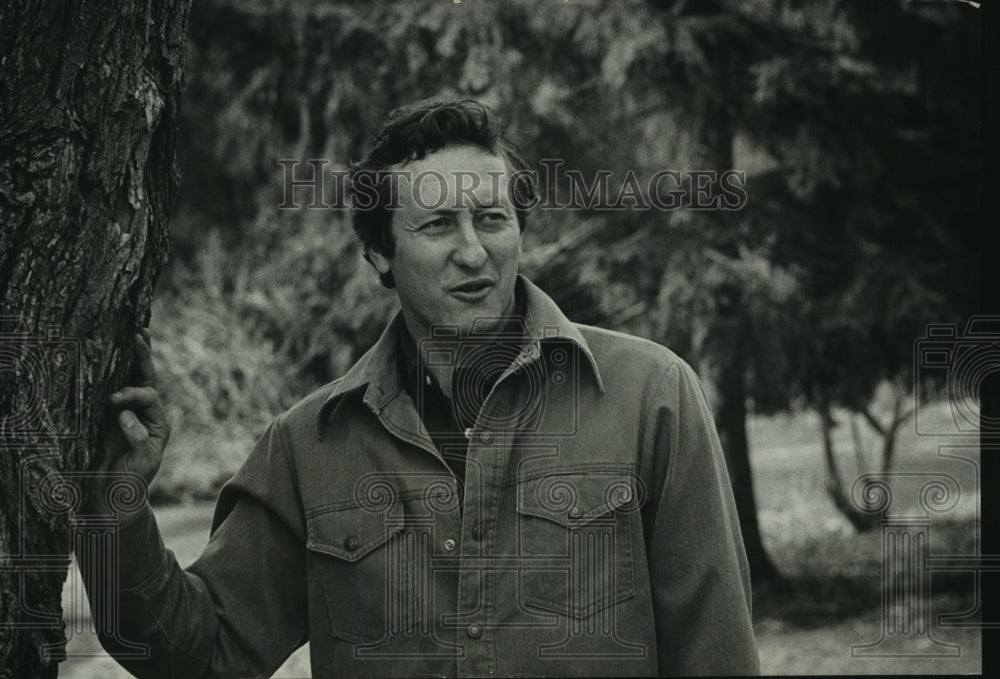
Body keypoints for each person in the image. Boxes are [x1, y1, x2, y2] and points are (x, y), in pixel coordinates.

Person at [81, 98, 760, 677]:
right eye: (437, 225)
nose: (473, 251)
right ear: (379, 252)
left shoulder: (653, 397)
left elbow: (717, 653)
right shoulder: (311, 445)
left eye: (492, 218)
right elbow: (203, 653)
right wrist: (114, 503)